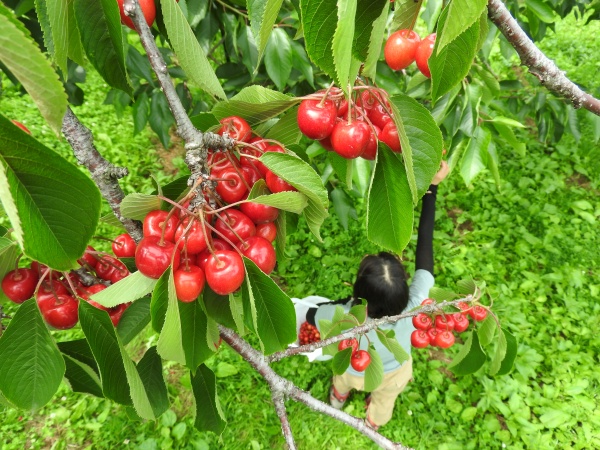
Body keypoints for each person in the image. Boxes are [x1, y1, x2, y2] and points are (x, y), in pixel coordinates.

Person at [303, 161, 449, 430]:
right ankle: (373, 423)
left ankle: (338, 398)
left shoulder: (343, 317)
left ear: (358, 293)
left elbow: (311, 313)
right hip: (394, 373)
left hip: (351, 366)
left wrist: (328, 306)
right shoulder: (417, 309)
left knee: (342, 379)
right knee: (385, 400)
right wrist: (432, 188)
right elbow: (425, 255)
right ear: (406, 288)